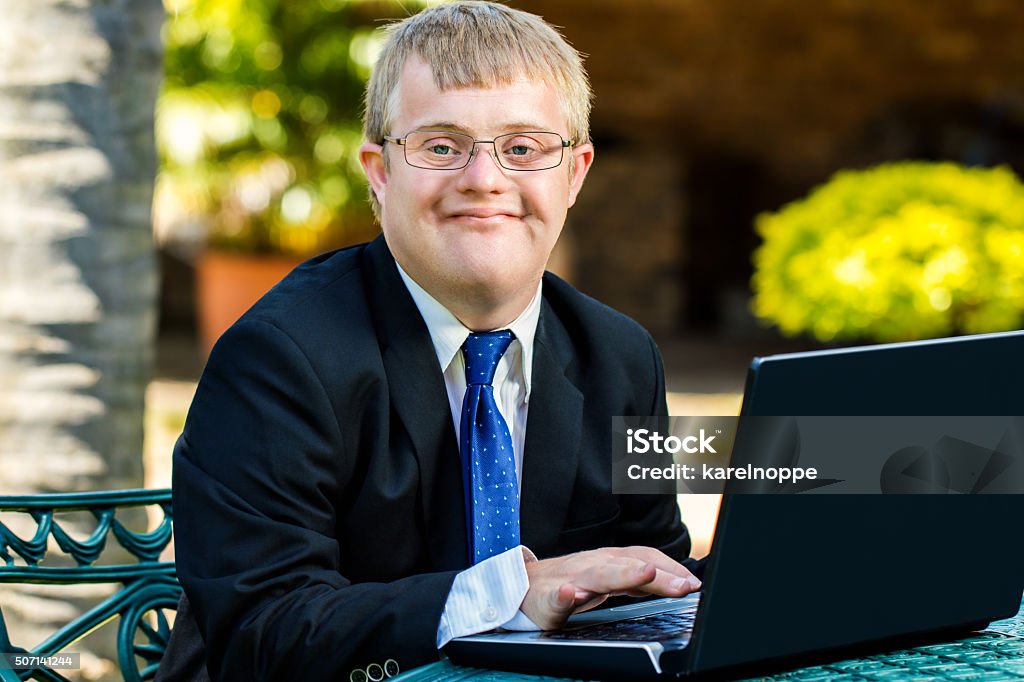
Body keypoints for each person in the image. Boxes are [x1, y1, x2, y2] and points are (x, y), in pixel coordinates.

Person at [163, 2, 704, 680]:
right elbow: (264, 634)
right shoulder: (278, 359)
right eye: (442, 146)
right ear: (380, 171)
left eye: (524, 148)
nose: (484, 180)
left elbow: (661, 577)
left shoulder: (621, 355)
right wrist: (504, 596)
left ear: (575, 173)